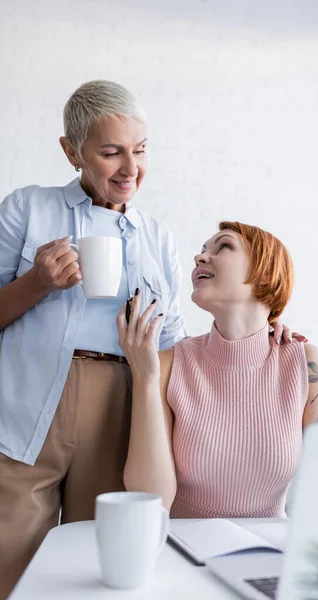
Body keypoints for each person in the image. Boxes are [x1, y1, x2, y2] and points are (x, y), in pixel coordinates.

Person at [0, 79, 188, 598]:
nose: (131, 169)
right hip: (22, 411)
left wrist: (265, 330)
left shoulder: (158, 238)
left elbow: (173, 346)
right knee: (9, 566)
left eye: (140, 150)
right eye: (111, 152)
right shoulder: (27, 208)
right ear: (71, 151)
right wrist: (38, 282)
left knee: (96, 569)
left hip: (119, 409)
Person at [118, 221, 318, 519]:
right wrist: (144, 377)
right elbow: (152, 501)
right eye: (203, 249)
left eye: (224, 247)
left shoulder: (305, 364)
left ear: (265, 273)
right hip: (185, 553)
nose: (200, 257)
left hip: (270, 551)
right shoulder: (168, 365)